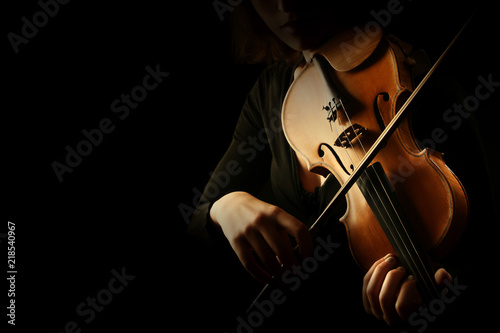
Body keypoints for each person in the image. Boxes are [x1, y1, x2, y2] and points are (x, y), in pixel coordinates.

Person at [187, 0, 492, 331]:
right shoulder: (270, 93)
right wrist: (225, 206)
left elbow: (486, 228)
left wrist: (436, 289)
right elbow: (196, 221)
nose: (287, 5)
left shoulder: (403, 60)